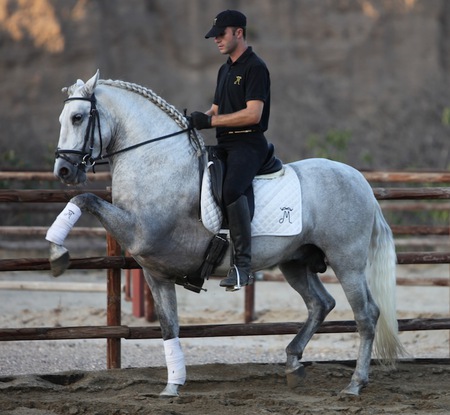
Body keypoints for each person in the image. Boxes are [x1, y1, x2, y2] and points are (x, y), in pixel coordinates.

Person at [190, 10, 272, 291]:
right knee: (198, 185)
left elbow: (253, 115)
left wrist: (211, 121)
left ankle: (243, 267)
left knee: (231, 190)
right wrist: (193, 121)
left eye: (221, 35)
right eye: (214, 37)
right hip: (225, 143)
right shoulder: (224, 69)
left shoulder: (255, 67)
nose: (216, 41)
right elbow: (215, 109)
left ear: (238, 33)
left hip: (249, 143)